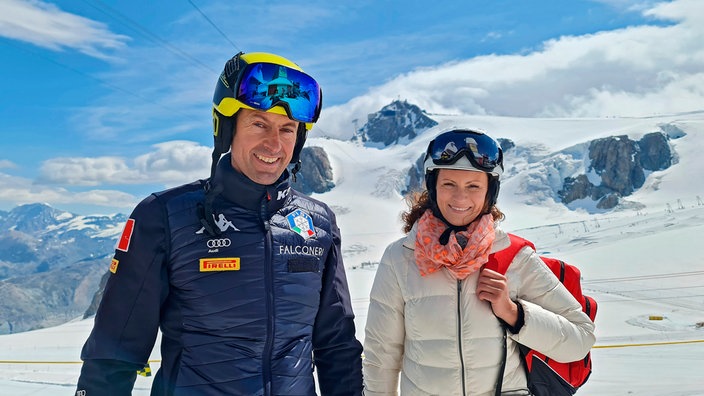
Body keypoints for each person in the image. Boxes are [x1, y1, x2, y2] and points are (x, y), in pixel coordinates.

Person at [76, 51, 364, 395]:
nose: (274, 143)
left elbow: (338, 346)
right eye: (259, 124)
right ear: (226, 128)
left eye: (287, 129)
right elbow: (114, 351)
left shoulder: (318, 224)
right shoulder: (164, 216)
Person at [362, 128, 595, 395]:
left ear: (489, 192)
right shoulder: (401, 257)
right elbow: (382, 355)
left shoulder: (514, 256)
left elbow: (580, 340)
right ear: (433, 187)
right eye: (449, 184)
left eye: (473, 186)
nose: (460, 198)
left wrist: (512, 312)